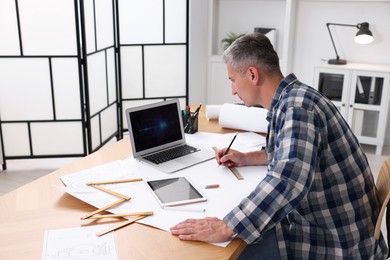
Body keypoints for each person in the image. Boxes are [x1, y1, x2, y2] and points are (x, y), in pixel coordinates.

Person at [170, 32, 388, 259]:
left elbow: (287, 180)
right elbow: (293, 154)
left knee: (224, 252)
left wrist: (226, 226)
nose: (233, 90)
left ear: (252, 74)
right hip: (337, 223)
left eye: (233, 80)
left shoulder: (297, 110)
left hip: (332, 239)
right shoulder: (295, 96)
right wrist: (247, 157)